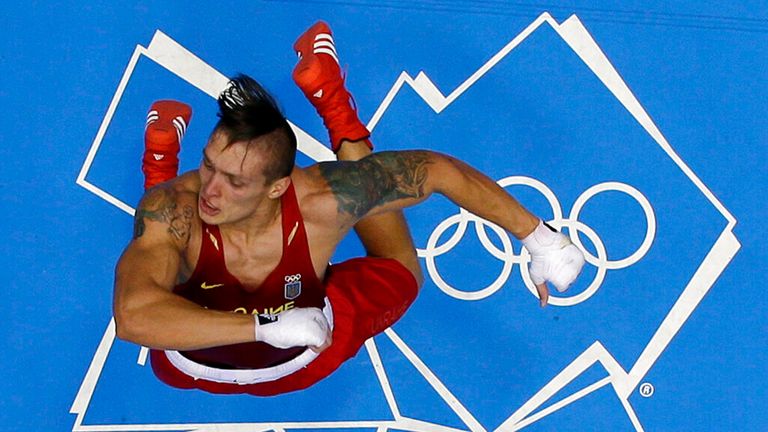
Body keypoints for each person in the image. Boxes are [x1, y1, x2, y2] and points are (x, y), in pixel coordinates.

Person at [114, 21, 585, 396]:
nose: (209, 191)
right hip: (191, 363)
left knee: (399, 269)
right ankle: (163, 161)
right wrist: (262, 328)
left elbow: (436, 170)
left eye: (234, 181)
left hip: (299, 353)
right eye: (207, 165)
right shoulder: (176, 207)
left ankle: (332, 104)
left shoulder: (322, 198)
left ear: (280, 187)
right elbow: (134, 317)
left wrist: (540, 237)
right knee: (163, 232)